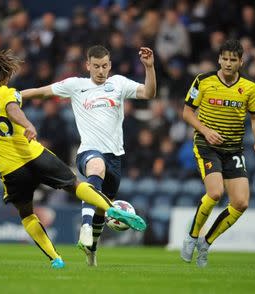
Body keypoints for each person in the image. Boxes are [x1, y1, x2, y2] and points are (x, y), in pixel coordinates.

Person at [0, 50, 146, 269]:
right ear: (2, 76)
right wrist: (28, 125)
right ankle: (109, 209)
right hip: (35, 155)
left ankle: (56, 258)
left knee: (26, 214)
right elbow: (12, 109)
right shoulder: (6, 92)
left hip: (11, 170)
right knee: (75, 185)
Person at [21, 45, 156, 266]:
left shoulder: (119, 84)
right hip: (89, 152)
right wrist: (12, 96)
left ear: (110, 65)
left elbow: (149, 93)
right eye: (96, 66)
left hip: (115, 157)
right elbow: (42, 91)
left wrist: (149, 68)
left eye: (104, 66)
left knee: (103, 210)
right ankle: (84, 226)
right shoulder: (77, 85)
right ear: (88, 66)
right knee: (96, 167)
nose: (101, 71)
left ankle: (91, 250)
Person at [180, 40, 255, 267]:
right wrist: (206, 131)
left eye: (233, 60)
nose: (228, 64)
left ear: (241, 61)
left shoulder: (250, 87)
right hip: (206, 144)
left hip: (233, 149)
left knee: (241, 202)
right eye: (225, 59)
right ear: (219, 59)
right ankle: (191, 236)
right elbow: (187, 113)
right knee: (216, 192)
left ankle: (205, 243)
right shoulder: (203, 80)